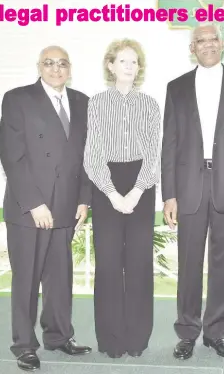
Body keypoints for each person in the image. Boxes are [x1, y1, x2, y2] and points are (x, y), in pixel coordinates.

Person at [161, 23, 224, 360]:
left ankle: (217, 332)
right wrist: (168, 194)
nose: (207, 45)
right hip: (189, 185)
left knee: (223, 264)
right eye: (200, 40)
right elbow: (169, 144)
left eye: (212, 39)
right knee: (188, 263)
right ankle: (187, 331)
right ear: (193, 47)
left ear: (222, 44)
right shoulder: (176, 88)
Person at [0, 45, 93, 371]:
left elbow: (86, 158)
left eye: (62, 63)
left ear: (70, 68)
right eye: (49, 63)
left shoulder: (83, 102)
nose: (56, 69)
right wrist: (34, 203)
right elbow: (12, 156)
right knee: (27, 280)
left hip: (67, 207)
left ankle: (59, 335)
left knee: (60, 277)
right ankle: (24, 345)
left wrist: (84, 198)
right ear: (38, 66)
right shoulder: (17, 99)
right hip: (30, 208)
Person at [83, 38, 161, 359]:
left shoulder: (151, 105)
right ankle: (112, 339)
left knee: (140, 263)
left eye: (134, 62)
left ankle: (137, 339)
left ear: (139, 68)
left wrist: (138, 190)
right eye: (123, 61)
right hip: (107, 187)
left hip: (142, 185)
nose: (129, 67)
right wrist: (113, 193)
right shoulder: (97, 103)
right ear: (110, 65)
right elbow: (92, 153)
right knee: (110, 264)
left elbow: (155, 153)